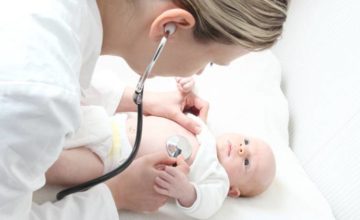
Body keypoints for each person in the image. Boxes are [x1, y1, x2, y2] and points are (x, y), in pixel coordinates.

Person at [0, 0, 288, 219]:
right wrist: (116, 195)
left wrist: (135, 99)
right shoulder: (40, 99)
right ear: (170, 28)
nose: (199, 72)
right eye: (209, 61)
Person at [46, 77, 276, 219]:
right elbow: (181, 106)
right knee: (63, 117)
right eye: (246, 142)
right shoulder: (202, 128)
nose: (242, 150)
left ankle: (29, 165)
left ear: (233, 191)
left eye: (247, 162)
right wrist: (188, 88)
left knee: (58, 165)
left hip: (111, 162)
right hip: (111, 123)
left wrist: (185, 191)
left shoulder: (217, 179)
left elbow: (204, 205)